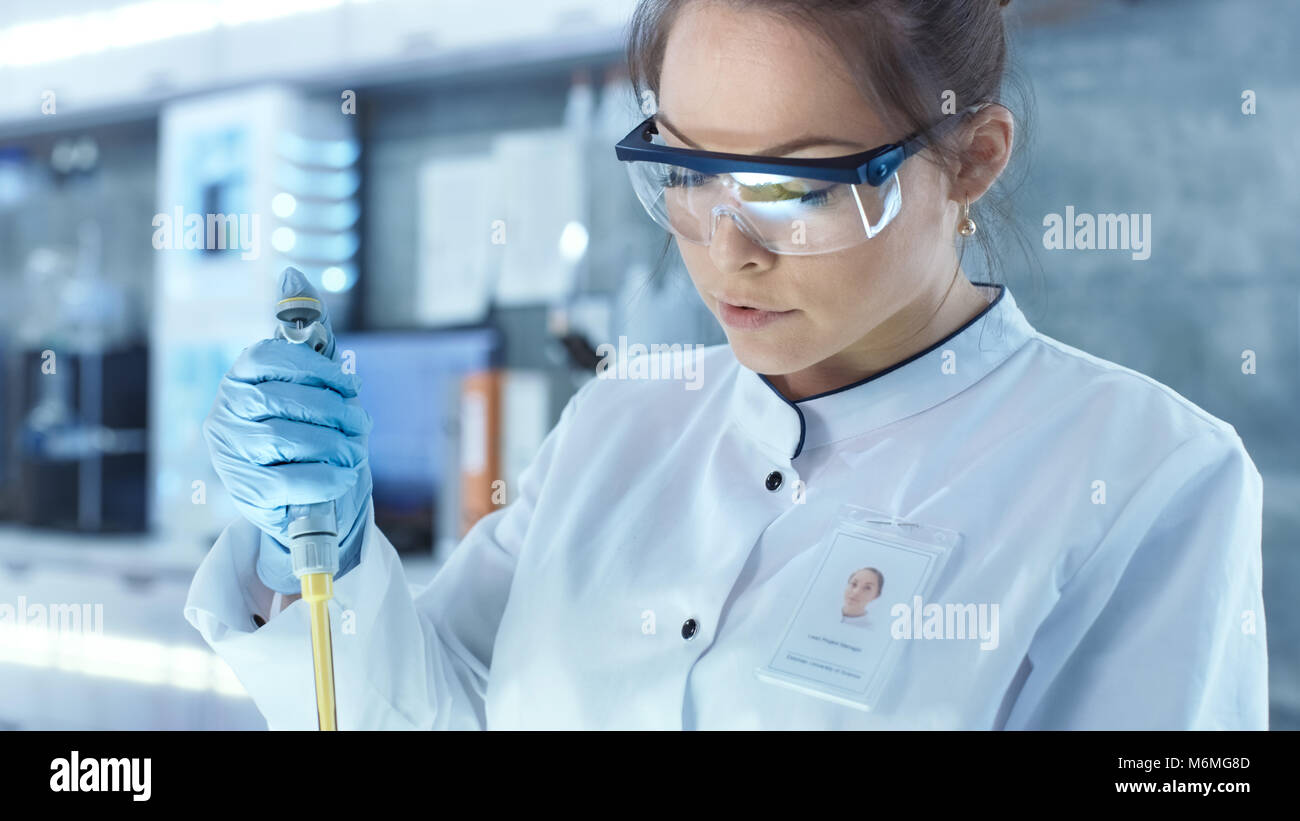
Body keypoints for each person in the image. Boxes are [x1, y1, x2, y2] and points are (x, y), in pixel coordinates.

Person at [186, 0, 1268, 729]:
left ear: (972, 158)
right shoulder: (624, 416)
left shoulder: (1149, 472)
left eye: (795, 187)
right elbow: (442, 710)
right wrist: (312, 552)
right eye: (684, 171)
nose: (724, 244)